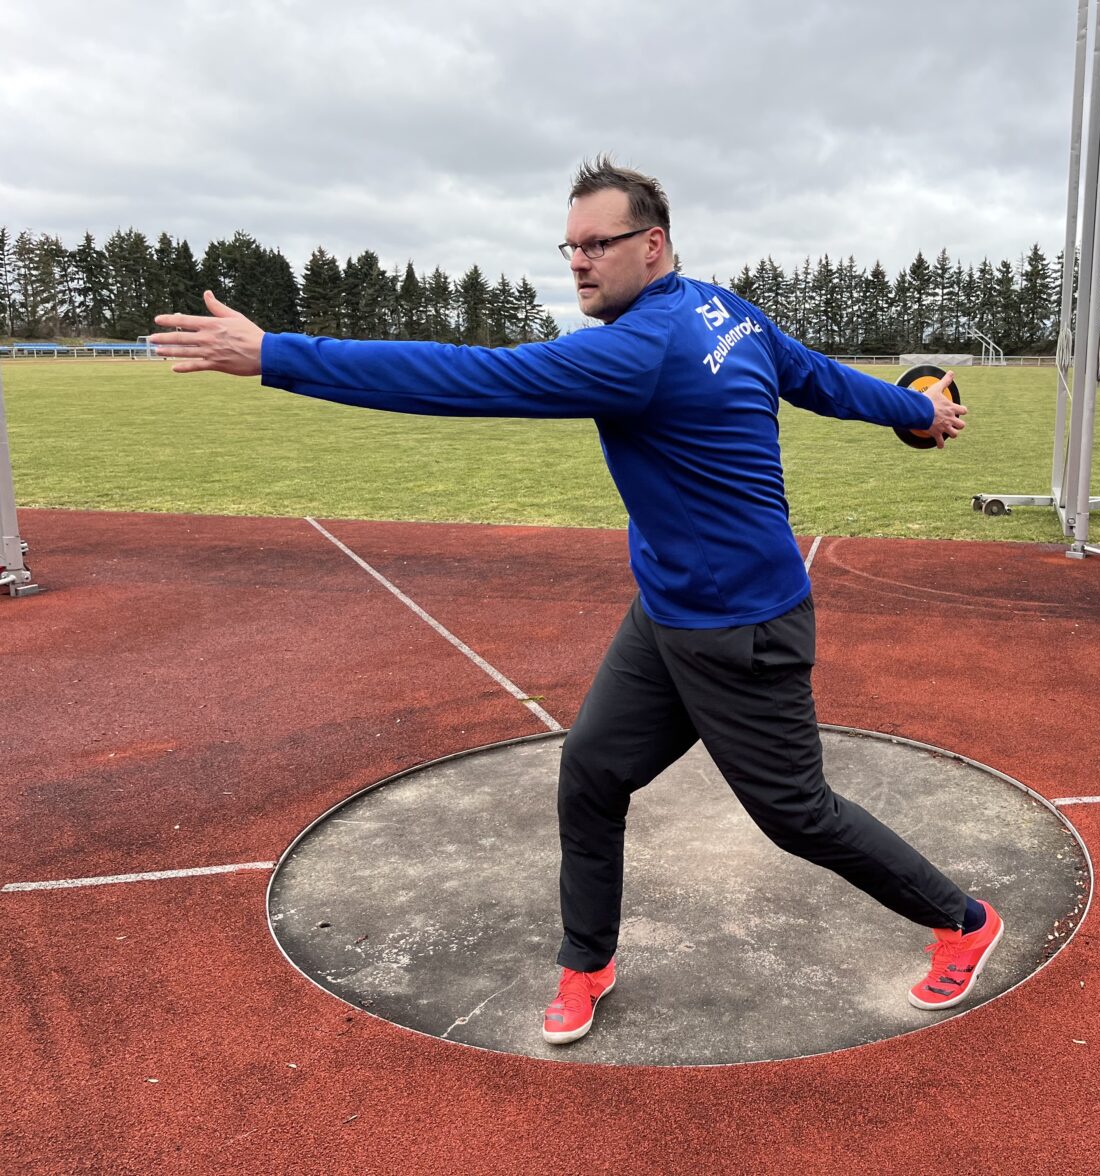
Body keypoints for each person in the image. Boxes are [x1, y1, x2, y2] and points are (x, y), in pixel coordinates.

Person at [151, 156, 1003, 1046]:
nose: (580, 262)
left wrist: (274, 355)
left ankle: (963, 920)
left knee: (797, 816)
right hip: (669, 613)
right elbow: (825, 381)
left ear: (654, 244)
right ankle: (586, 960)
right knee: (592, 773)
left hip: (744, 628)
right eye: (571, 246)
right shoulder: (725, 310)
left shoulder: (642, 349)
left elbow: (465, 378)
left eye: (599, 244)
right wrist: (911, 413)